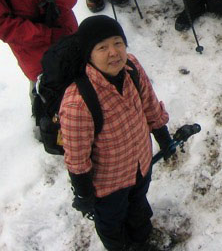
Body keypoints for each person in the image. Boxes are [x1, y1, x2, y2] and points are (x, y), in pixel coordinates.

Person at [60, 16, 173, 250]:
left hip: (140, 165)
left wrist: (163, 136)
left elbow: (150, 104)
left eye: (118, 43)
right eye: (102, 47)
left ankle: (142, 241)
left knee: (138, 207)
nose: (114, 52)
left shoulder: (131, 67)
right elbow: (77, 158)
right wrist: (84, 192)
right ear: (88, 55)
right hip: (108, 185)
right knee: (111, 223)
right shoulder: (77, 103)